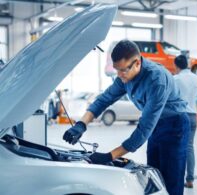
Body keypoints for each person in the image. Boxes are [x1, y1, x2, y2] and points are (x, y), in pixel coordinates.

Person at [62, 40, 190, 195]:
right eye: (117, 70)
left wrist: (110, 156)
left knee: (172, 181)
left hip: (175, 126)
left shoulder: (157, 80)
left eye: (122, 70)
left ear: (137, 63)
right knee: (155, 178)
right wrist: (81, 124)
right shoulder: (125, 76)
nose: (119, 75)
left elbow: (143, 130)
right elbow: (104, 99)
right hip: (156, 126)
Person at [173, 55, 197, 188]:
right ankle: (190, 179)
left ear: (176, 66)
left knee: (176, 147)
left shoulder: (175, 79)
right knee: (189, 147)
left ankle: (177, 178)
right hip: (193, 116)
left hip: (179, 115)